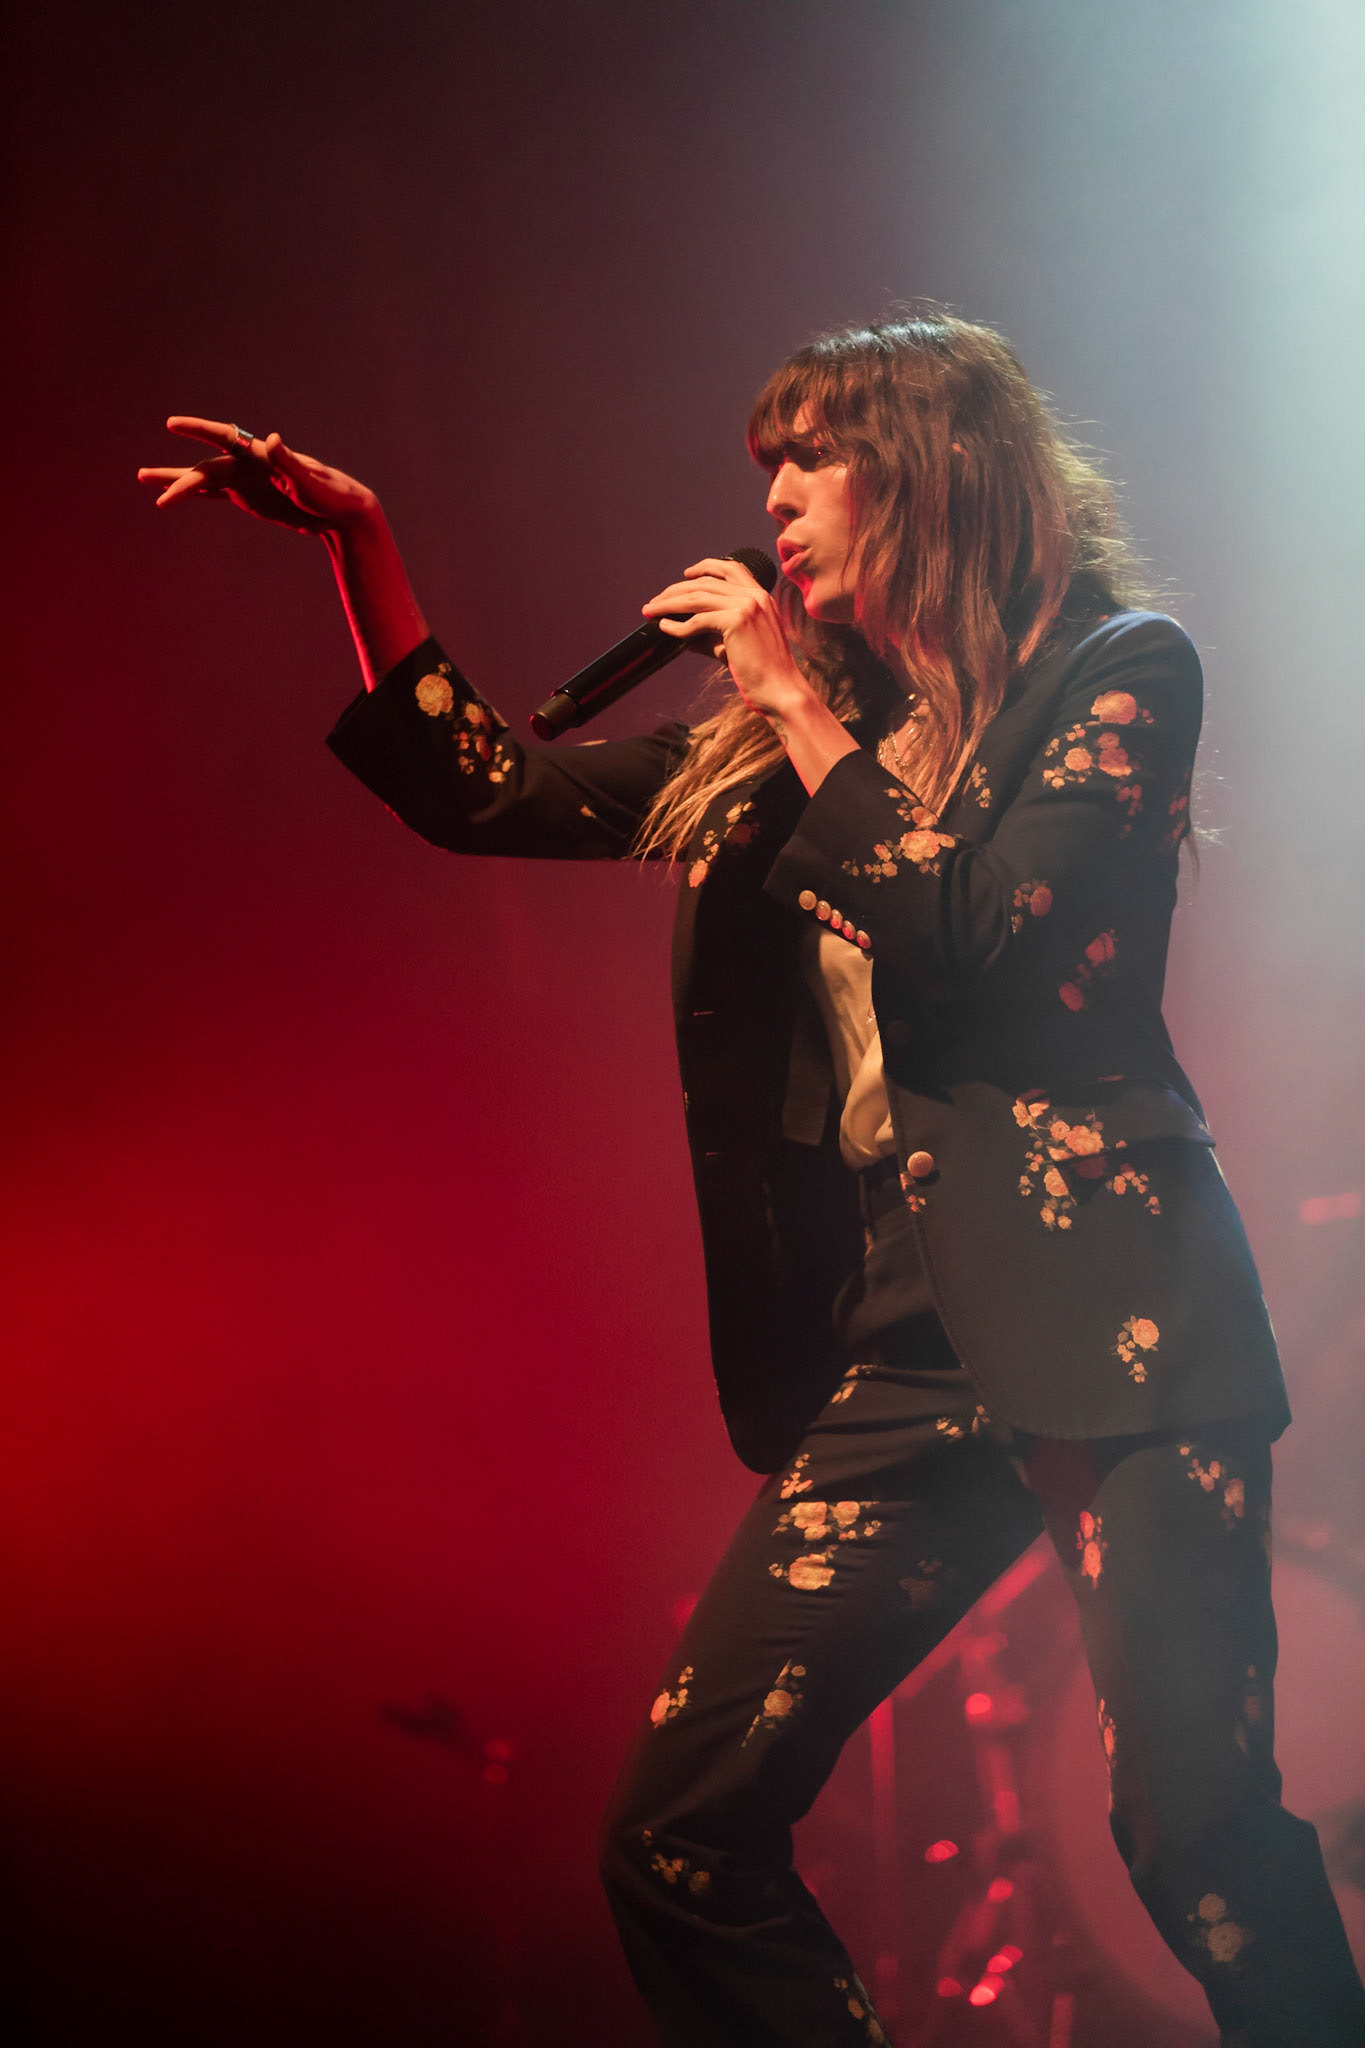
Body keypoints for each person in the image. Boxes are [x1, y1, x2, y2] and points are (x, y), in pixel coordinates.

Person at [139, 316, 1365, 2048]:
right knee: (679, 1833)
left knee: (1197, 1839)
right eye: (764, 470)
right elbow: (481, 792)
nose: (772, 503)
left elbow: (967, 936)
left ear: (930, 471)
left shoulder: (1118, 672)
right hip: (908, 1340)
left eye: (811, 460)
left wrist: (789, 702)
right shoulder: (785, 754)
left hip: (1119, 1315)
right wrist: (366, 547)